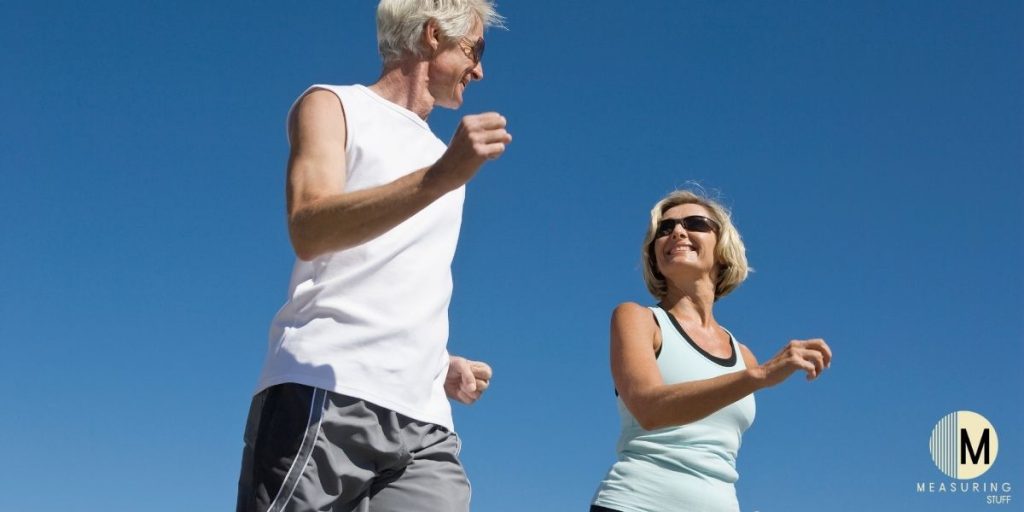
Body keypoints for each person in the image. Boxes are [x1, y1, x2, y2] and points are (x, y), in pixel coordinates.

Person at [236, 1, 509, 511]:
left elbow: (394, 271)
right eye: (475, 49)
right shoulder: (332, 105)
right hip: (324, 390)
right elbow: (308, 227)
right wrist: (440, 177)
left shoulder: (443, 157)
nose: (481, 70)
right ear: (432, 35)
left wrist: (436, 361)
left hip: (426, 423)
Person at [590, 190, 833, 512]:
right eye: (665, 229)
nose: (677, 232)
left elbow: (718, 453)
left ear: (722, 248)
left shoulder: (742, 355)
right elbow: (649, 409)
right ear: (654, 256)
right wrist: (758, 376)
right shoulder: (638, 318)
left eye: (695, 223)